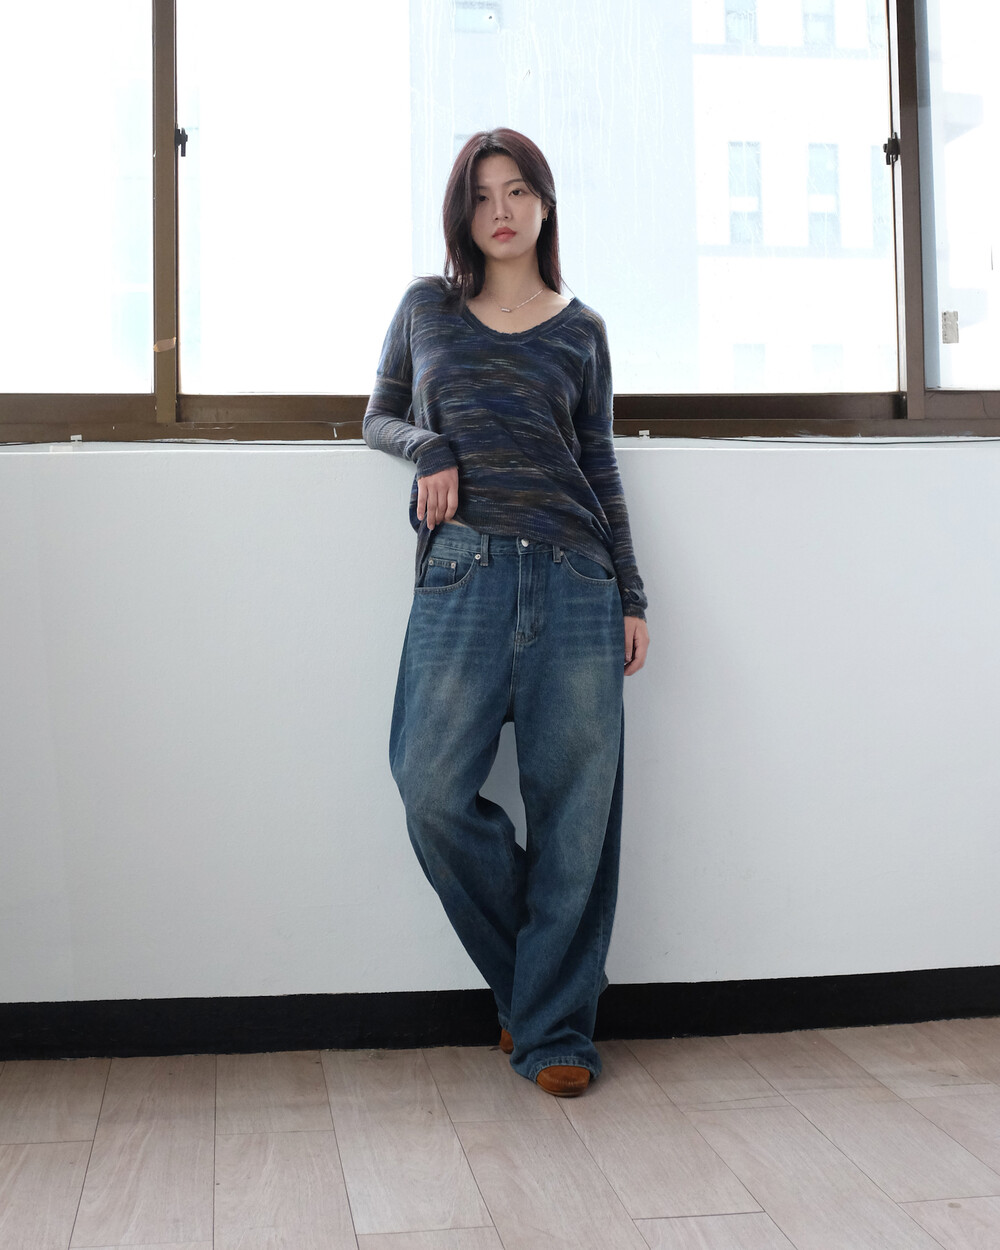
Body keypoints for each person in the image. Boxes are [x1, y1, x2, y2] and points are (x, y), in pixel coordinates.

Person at [363, 128, 648, 1097]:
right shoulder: (427, 307)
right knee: (431, 792)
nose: (501, 209)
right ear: (463, 213)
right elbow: (377, 414)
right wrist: (429, 448)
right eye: (483, 194)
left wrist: (631, 593)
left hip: (575, 578)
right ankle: (538, 985)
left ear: (545, 205)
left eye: (518, 190)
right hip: (464, 572)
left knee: (577, 817)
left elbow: (599, 463)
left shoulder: (583, 330)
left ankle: (553, 1029)